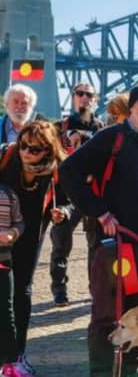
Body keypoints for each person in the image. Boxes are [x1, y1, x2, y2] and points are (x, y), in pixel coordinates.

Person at [59, 83, 138, 376]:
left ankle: (130, 371)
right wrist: (98, 212)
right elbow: (68, 171)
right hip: (113, 247)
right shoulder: (111, 137)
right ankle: (100, 372)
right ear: (132, 106)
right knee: (106, 318)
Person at [0, 121, 71, 376]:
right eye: (24, 145)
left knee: (21, 293)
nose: (27, 151)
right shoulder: (6, 158)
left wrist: (62, 212)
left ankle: (16, 356)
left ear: (49, 150)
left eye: (35, 148)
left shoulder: (57, 170)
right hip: (1, 235)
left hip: (30, 238)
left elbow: (69, 201)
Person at [49, 82, 105, 307]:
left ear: (95, 100)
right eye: (79, 94)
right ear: (73, 98)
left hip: (92, 195)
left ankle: (95, 291)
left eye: (88, 94)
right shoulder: (58, 127)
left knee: (96, 247)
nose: (83, 98)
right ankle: (59, 290)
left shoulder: (104, 130)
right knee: (60, 243)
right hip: (66, 198)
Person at [0, 183, 25, 377]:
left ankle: (9, 362)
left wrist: (11, 234)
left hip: (3, 260)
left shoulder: (9, 194)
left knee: (6, 313)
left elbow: (19, 222)